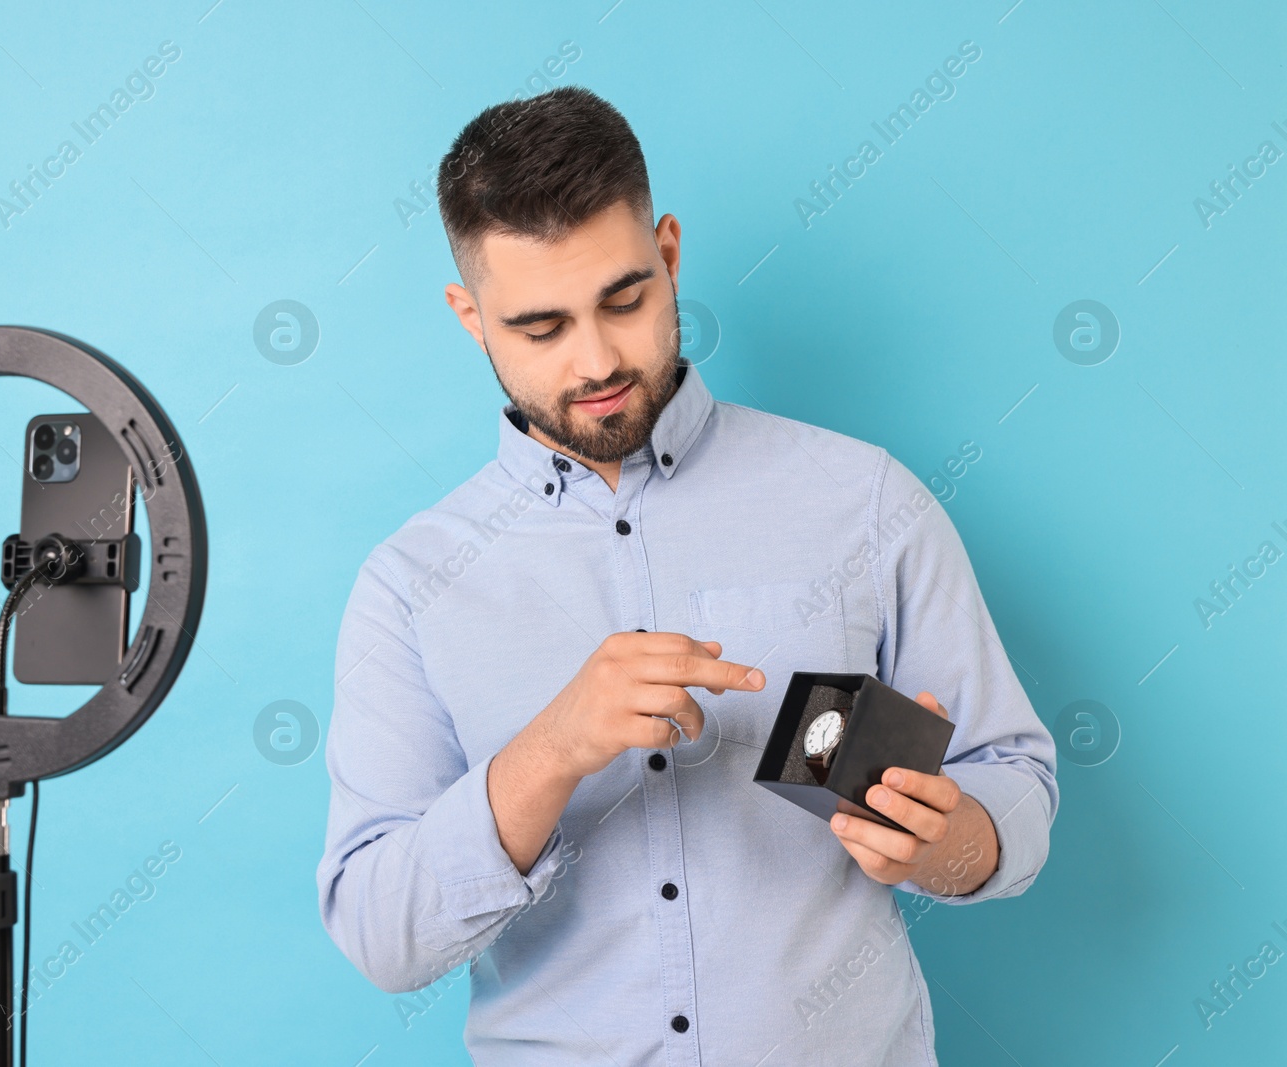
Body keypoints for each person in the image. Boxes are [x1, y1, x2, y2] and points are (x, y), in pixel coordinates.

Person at [316, 84, 1057, 1065]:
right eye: (540, 327)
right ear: (470, 315)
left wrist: (953, 842)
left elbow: (1014, 783)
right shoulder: (410, 584)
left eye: (623, 298)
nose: (595, 360)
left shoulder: (864, 499)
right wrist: (550, 749)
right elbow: (381, 935)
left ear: (667, 253)